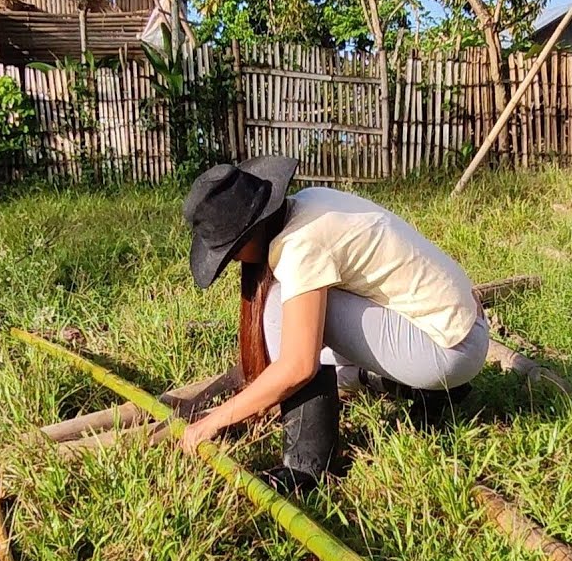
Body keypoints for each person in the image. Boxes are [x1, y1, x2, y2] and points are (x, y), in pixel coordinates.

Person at [179, 156, 489, 492]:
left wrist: (214, 421)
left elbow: (298, 366)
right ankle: (421, 390)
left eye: (233, 252)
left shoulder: (300, 246)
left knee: (280, 312)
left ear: (250, 236)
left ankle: (308, 467)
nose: (236, 261)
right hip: (457, 331)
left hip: (448, 350)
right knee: (314, 346)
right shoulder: (309, 202)